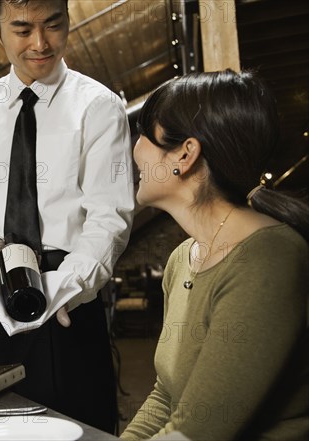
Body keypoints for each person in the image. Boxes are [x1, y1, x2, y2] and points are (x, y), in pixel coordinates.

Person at [0, 0, 134, 433]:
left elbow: (109, 217)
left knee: (79, 428)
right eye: (22, 29)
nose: (40, 43)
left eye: (53, 26)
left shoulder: (98, 105)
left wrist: (63, 288)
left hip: (69, 302)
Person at [120, 69, 309, 440]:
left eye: (144, 134)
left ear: (186, 154)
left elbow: (196, 432)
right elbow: (165, 398)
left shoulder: (268, 257)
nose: (135, 149)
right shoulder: (181, 258)